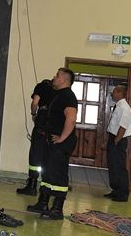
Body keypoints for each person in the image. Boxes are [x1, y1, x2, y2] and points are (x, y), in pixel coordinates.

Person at [27, 67, 78, 220]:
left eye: (57, 75)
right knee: (47, 173)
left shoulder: (68, 96)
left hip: (60, 143)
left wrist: (62, 138)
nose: (54, 77)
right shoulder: (57, 94)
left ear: (64, 80)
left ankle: (57, 209)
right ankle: (42, 203)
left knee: (58, 175)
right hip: (50, 141)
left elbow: (71, 117)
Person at [16, 78, 55, 196]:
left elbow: (34, 103)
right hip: (54, 122)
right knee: (49, 153)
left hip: (42, 120)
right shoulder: (58, 91)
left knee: (36, 153)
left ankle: (32, 186)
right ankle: (48, 187)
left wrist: (34, 114)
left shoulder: (41, 86)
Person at [104, 85, 131, 202]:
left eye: (114, 91)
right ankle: (115, 190)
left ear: (120, 93)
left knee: (119, 167)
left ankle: (123, 194)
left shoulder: (124, 107)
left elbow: (123, 125)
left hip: (119, 139)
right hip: (114, 138)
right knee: (113, 165)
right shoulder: (118, 106)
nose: (112, 93)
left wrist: (117, 139)